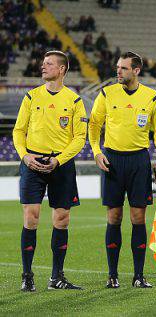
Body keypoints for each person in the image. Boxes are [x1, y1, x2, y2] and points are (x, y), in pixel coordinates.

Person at [88, 51, 156, 289]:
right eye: (117, 68)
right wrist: (96, 151)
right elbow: (94, 125)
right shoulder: (106, 93)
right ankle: (112, 275)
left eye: (123, 68)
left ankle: (138, 275)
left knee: (138, 218)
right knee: (114, 217)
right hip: (112, 159)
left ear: (136, 70)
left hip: (139, 161)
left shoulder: (152, 97)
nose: (118, 72)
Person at [13, 50, 87, 291]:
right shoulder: (31, 97)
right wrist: (24, 156)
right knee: (31, 217)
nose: (43, 67)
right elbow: (18, 131)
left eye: (49, 64)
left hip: (61, 165)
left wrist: (59, 160)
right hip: (32, 163)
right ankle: (27, 275)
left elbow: (79, 138)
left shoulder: (74, 101)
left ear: (62, 69)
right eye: (43, 63)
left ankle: (57, 277)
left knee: (62, 219)